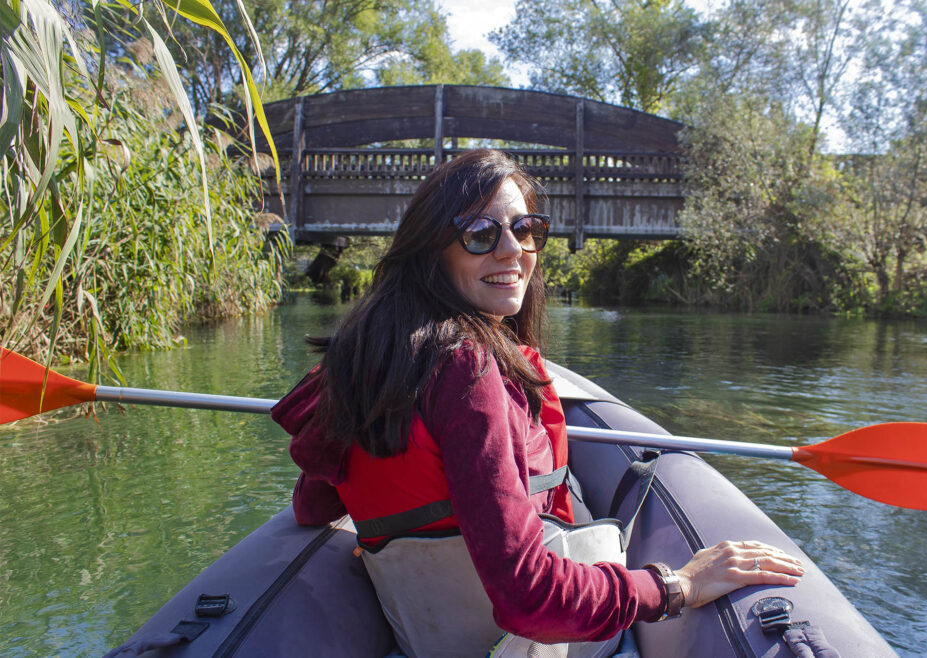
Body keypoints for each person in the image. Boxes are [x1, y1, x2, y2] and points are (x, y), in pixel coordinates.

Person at [271, 149, 804, 655]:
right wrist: (678, 584)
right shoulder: (467, 370)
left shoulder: (360, 360)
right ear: (431, 249)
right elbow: (529, 598)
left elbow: (312, 507)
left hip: (423, 638)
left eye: (525, 229)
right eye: (480, 234)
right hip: (520, 643)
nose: (513, 251)